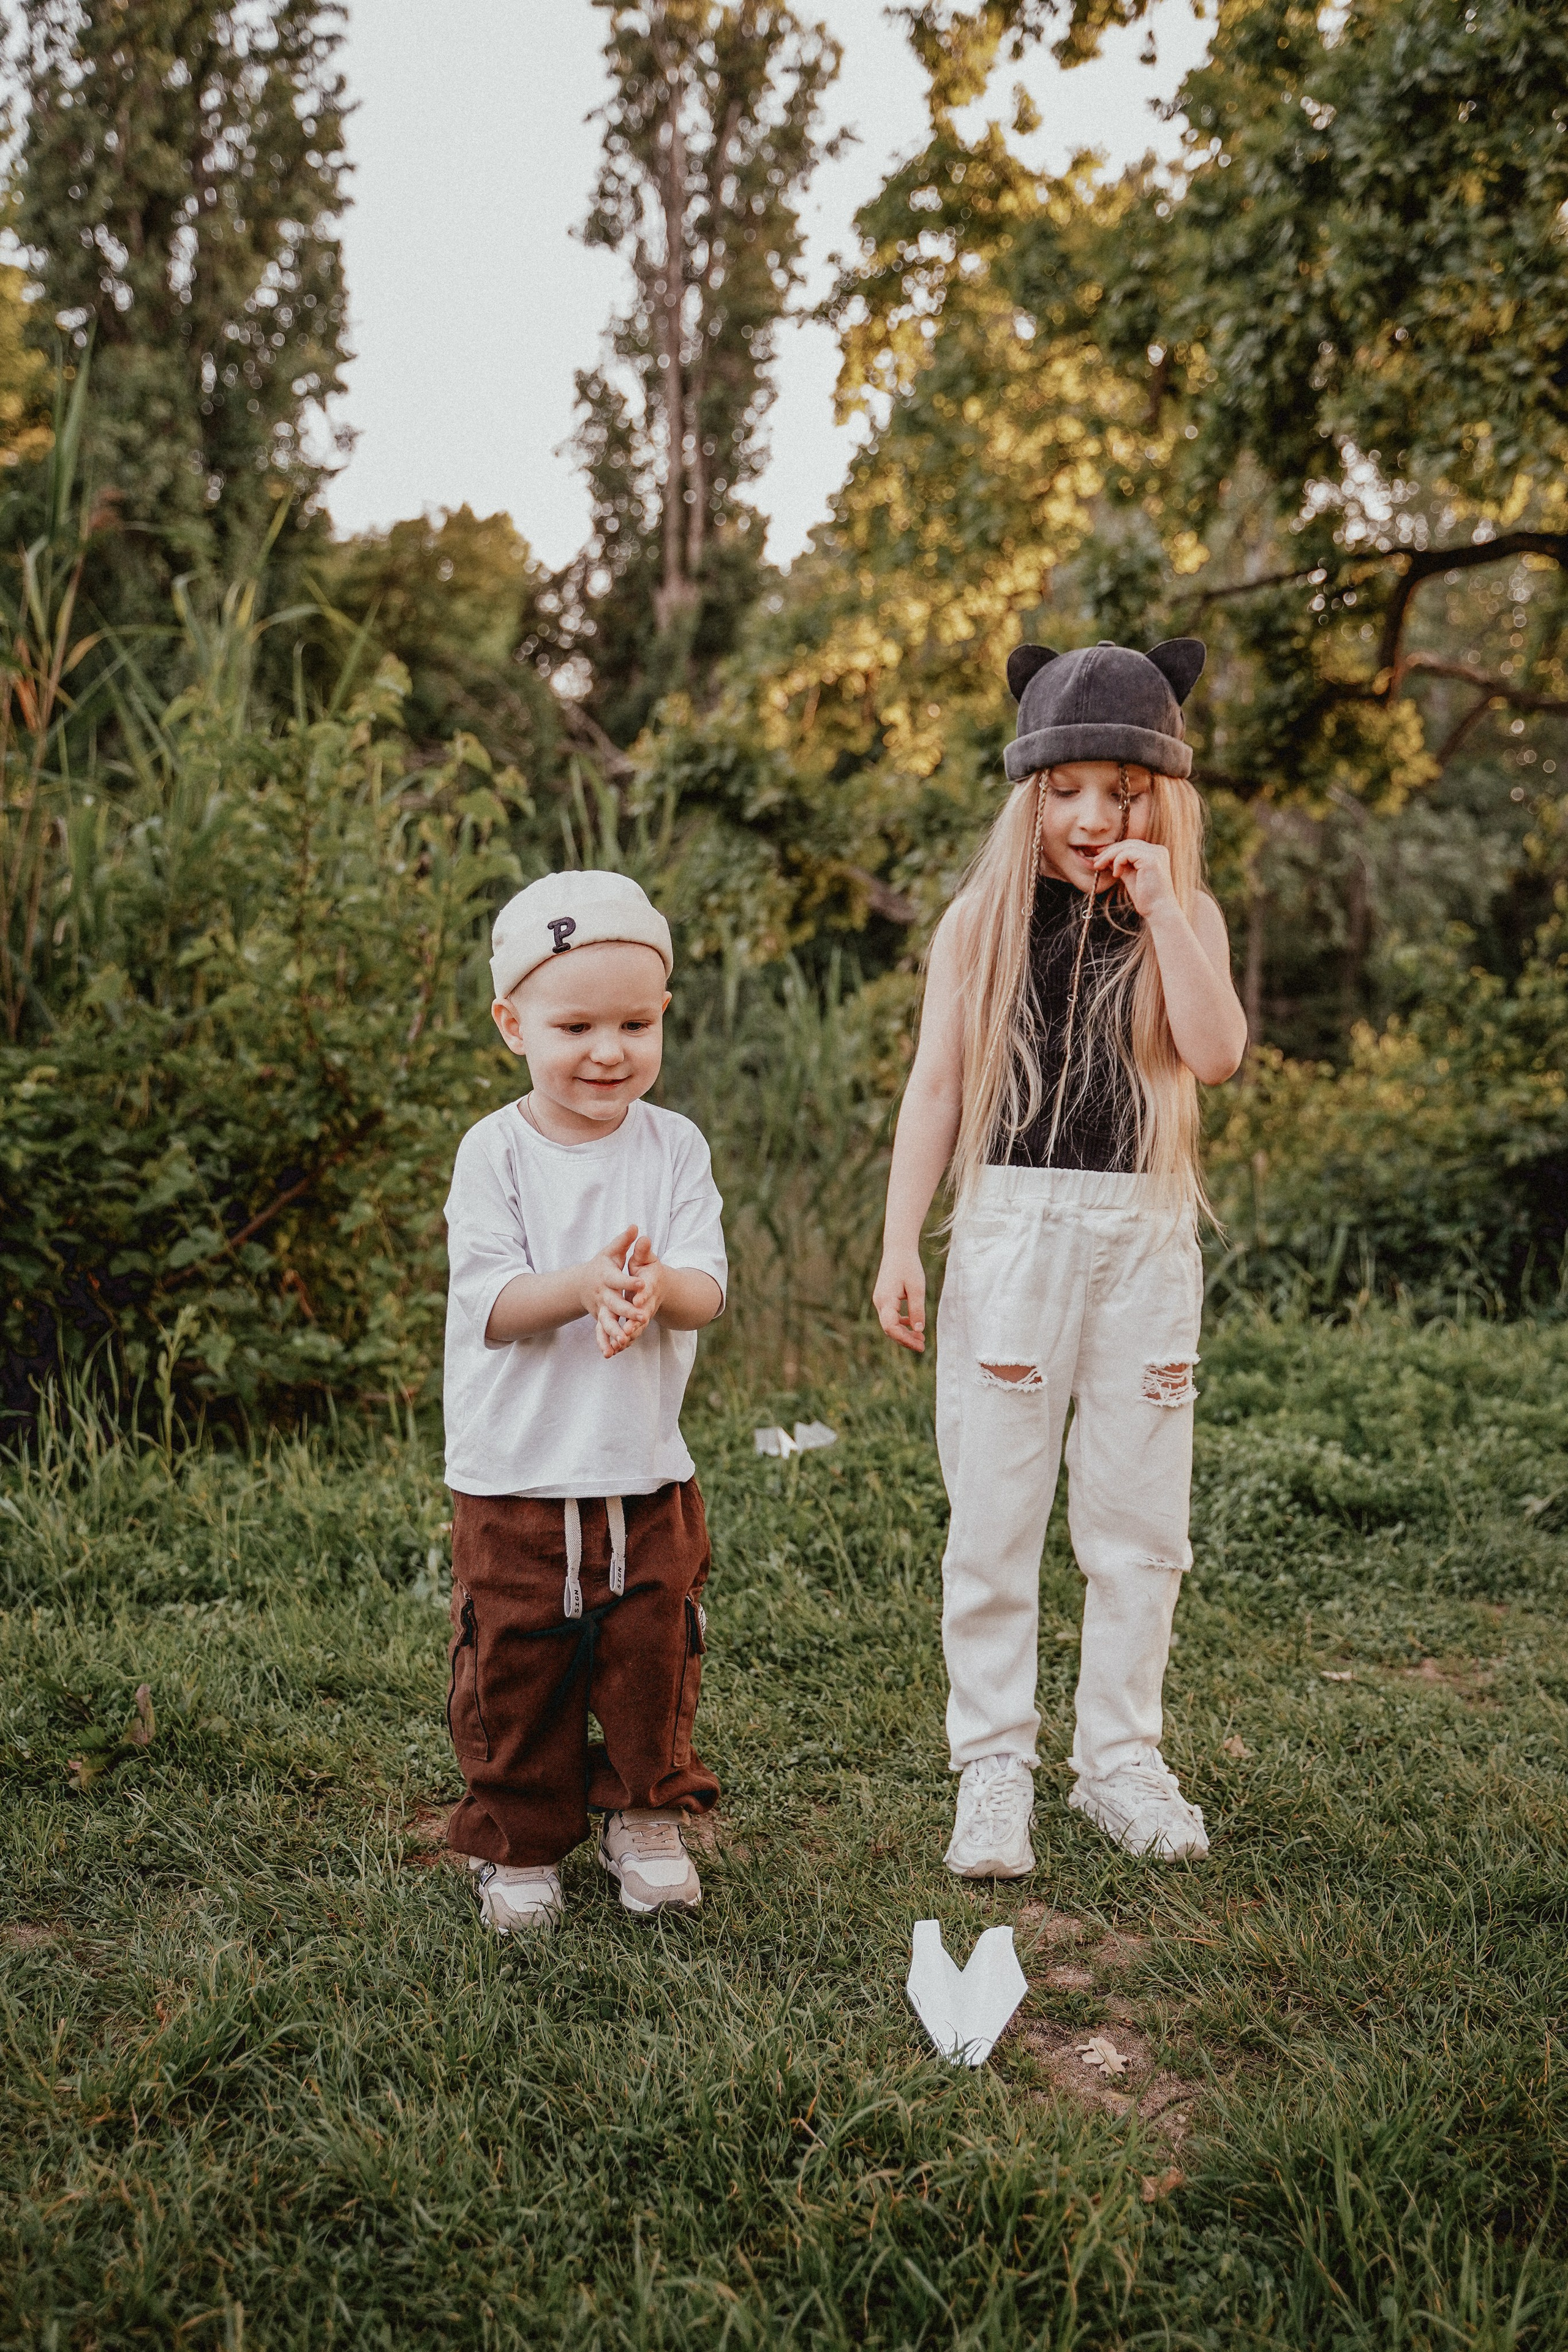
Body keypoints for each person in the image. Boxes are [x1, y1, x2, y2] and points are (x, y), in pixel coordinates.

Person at [872, 639, 1248, 1874]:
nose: (1092, 817)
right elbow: (934, 1088)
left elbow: (1215, 1051)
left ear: (1161, 799)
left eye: (1120, 792)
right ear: (1027, 795)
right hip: (1009, 1230)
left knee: (1138, 1516)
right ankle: (992, 1767)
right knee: (992, 1511)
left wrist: (1160, 910)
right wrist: (898, 1243)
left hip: (1140, 1234)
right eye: (1065, 791)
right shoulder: (978, 922)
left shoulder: (1180, 916)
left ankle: (1118, 1763)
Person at [441, 870, 727, 1932]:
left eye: (635, 1023)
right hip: (515, 1470)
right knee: (517, 1661)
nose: (609, 1051)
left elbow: (705, 1290)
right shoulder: (496, 1152)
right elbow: (498, 1304)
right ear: (513, 1023)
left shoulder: (674, 1146)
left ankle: (642, 1809)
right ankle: (520, 1838)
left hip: (644, 1466)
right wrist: (586, 1286)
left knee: (651, 1652)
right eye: (576, 1025)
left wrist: (654, 1291)